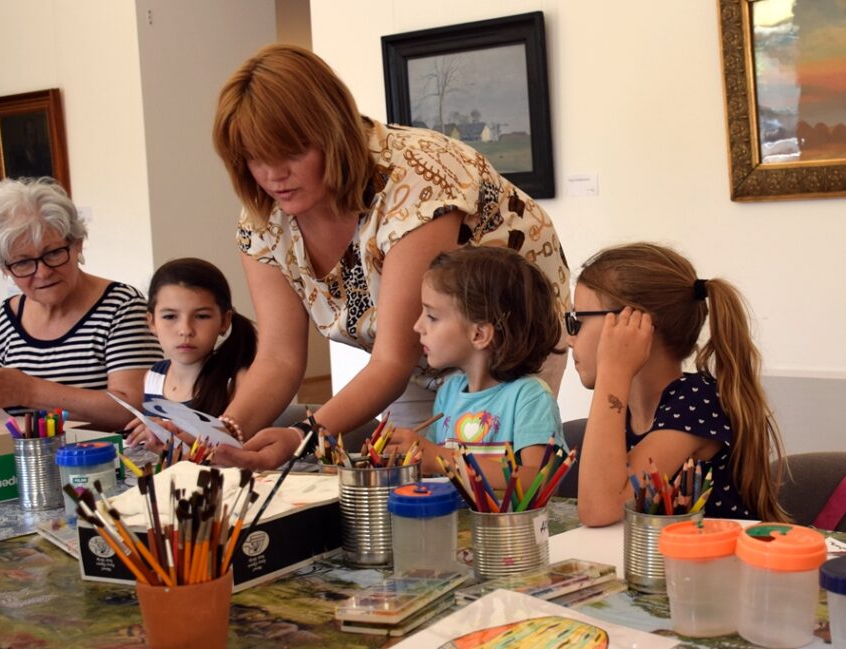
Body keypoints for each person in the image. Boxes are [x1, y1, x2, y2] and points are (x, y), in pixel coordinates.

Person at [210, 44, 570, 470]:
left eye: (291, 153)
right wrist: (218, 433)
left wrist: (301, 437)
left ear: (332, 131)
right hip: (416, 356)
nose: (273, 176)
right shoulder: (264, 215)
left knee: (499, 485)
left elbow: (393, 360)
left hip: (502, 351)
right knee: (414, 488)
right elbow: (279, 357)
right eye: (255, 159)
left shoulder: (416, 178)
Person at [571, 243, 787, 526]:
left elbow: (600, 509)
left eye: (577, 321)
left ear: (636, 324)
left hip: (720, 568)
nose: (569, 338)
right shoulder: (624, 412)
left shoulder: (697, 402)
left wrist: (613, 371)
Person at [0, 177, 163, 431]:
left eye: (53, 253)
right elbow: (13, 411)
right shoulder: (9, 314)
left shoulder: (121, 306)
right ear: (4, 268)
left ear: (77, 244)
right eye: (23, 263)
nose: (43, 273)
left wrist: (28, 390)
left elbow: (134, 410)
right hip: (32, 465)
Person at [384, 247, 566, 490]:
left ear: (479, 334)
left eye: (432, 317)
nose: (418, 326)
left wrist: (440, 457)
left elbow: (537, 480)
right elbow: (433, 473)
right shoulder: (449, 393)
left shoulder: (530, 397)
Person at [125, 258, 257, 451]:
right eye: (170, 316)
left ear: (224, 321)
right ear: (151, 322)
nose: (185, 330)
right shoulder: (153, 377)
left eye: (201, 316)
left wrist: (180, 436)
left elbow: (242, 450)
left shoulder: (236, 381)